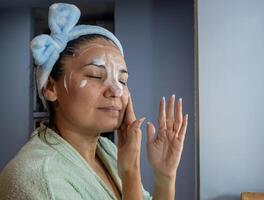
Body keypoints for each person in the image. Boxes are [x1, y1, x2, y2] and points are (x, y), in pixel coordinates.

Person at [0, 3, 188, 200]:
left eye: (122, 80)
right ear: (50, 88)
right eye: (96, 76)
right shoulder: (40, 178)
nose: (116, 90)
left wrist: (164, 176)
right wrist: (131, 170)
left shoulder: (108, 151)